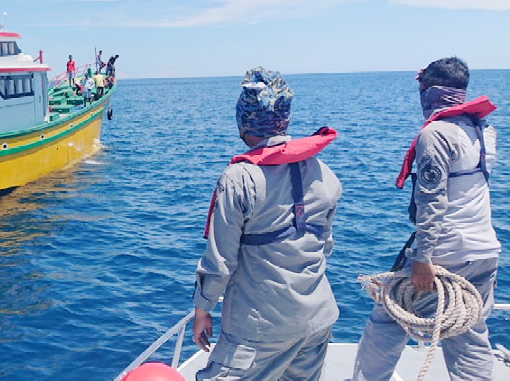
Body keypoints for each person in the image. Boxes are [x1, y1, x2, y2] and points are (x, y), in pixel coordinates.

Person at [353, 57, 500, 380]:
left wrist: (423, 258)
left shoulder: (435, 134)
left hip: (445, 253)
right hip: (484, 251)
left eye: (422, 90)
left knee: (386, 322)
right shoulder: (484, 130)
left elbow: (432, 201)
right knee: (469, 333)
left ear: (431, 93)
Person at [192, 67, 342, 380]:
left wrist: (202, 309)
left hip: (260, 327)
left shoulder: (239, 178)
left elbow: (221, 260)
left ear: (243, 121)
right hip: (317, 319)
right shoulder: (325, 173)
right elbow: (324, 246)